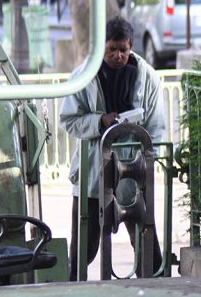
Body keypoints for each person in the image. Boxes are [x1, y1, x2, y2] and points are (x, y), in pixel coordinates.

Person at [60, 16, 166, 280]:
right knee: (84, 247)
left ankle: (155, 285)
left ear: (131, 47)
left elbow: (156, 127)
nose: (118, 55)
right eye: (112, 50)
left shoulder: (148, 77)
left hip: (135, 175)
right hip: (92, 175)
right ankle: (73, 289)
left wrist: (149, 163)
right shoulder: (82, 76)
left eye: (123, 50)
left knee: (145, 240)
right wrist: (99, 121)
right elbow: (68, 120)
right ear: (100, 47)